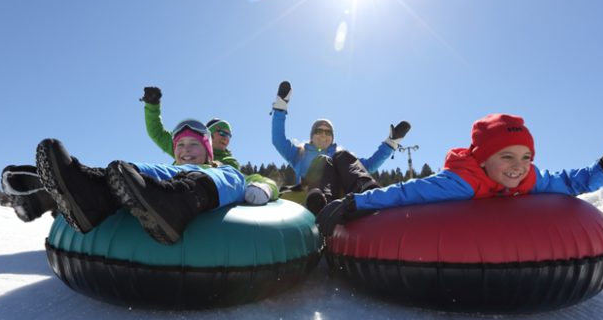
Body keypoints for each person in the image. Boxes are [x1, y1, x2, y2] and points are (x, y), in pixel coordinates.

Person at [315, 113, 603, 236]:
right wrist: (355, 202)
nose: (519, 165)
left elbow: (571, 183)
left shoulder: (528, 178)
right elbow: (406, 193)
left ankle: (338, 174)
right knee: (348, 166)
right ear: (484, 160)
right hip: (365, 188)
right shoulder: (461, 181)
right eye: (507, 156)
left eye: (526, 156)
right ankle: (333, 180)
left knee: (346, 167)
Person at [35, 119, 260, 244]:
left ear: (208, 151)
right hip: (170, 184)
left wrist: (262, 187)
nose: (186, 150)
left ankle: (177, 206)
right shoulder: (171, 168)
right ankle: (91, 194)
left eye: (194, 145)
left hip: (208, 188)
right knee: (134, 170)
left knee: (232, 175)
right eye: (180, 145)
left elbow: (257, 180)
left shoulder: (219, 166)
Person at [270, 80, 411, 212]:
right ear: (311, 136)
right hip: (310, 201)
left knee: (344, 158)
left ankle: (370, 197)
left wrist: (391, 143)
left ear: (332, 138)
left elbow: (368, 166)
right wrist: (280, 107)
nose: (323, 135)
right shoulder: (300, 154)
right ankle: (319, 200)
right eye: (319, 131)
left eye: (328, 132)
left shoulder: (341, 156)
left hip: (337, 200)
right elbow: (278, 140)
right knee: (321, 161)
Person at [141, 86, 240, 169]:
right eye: (222, 133)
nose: (226, 138)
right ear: (209, 135)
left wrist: (254, 183)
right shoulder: (183, 146)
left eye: (229, 135)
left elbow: (236, 178)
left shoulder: (230, 162)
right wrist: (152, 105)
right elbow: (156, 132)